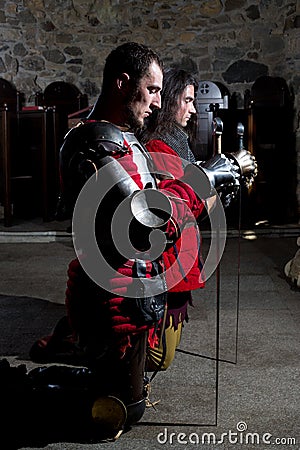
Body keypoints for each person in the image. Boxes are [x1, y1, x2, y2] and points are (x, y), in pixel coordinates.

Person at [27, 44, 243, 436]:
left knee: (128, 397)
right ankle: (21, 390)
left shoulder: (128, 139)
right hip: (107, 293)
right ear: (123, 83)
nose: (159, 103)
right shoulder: (93, 142)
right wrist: (203, 179)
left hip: (135, 289)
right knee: (123, 409)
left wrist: (201, 190)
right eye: (153, 90)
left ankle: (67, 367)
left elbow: (160, 208)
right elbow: (142, 221)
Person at [140, 68, 257, 373]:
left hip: (181, 254)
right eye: (188, 100)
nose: (193, 109)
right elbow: (169, 210)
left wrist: (222, 186)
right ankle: (96, 338)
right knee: (159, 359)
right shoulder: (157, 147)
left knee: (164, 353)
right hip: (162, 261)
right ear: (169, 101)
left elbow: (194, 206)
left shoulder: (178, 143)